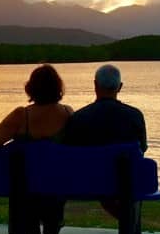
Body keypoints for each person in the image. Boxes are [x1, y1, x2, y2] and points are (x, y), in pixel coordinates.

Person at [0, 64, 73, 234]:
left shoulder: (21, 116)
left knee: (23, 184)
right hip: (57, 186)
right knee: (46, 183)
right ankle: (51, 231)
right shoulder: (68, 114)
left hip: (25, 187)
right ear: (58, 88)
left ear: (30, 88)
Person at [63, 63, 148, 219]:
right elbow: (142, 148)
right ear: (120, 87)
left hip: (85, 182)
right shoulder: (135, 116)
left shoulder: (78, 118)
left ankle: (126, 218)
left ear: (95, 85)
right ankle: (130, 223)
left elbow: (70, 152)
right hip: (125, 181)